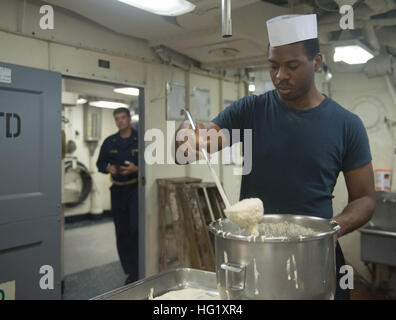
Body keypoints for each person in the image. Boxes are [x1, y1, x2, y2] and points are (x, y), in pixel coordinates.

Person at [175, 14, 375, 300]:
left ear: (316, 62)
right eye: (273, 66)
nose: (280, 75)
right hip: (254, 254)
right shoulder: (250, 111)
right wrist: (186, 136)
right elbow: (189, 151)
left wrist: (332, 230)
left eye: (292, 66)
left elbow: (366, 199)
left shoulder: (346, 125)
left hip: (316, 253)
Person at [97, 107, 139, 285]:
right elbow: (100, 163)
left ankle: (139, 268)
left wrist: (137, 169)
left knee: (135, 229)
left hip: (135, 190)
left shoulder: (140, 139)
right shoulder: (110, 142)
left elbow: (150, 164)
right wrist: (108, 168)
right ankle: (130, 271)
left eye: (123, 117)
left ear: (129, 119)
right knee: (121, 232)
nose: (120, 121)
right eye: (117, 119)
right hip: (118, 190)